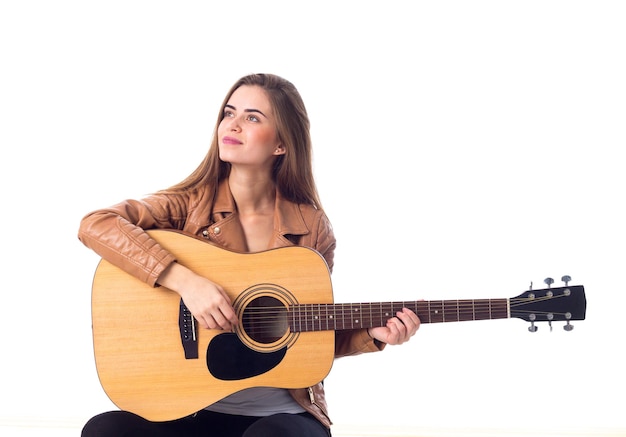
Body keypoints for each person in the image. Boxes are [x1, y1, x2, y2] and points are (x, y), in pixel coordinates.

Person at [78, 73, 420, 437]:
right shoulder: (188, 204)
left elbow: (307, 332)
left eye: (253, 117)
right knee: (105, 430)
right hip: (191, 405)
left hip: (278, 415)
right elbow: (96, 224)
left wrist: (372, 334)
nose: (233, 124)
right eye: (229, 112)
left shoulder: (312, 227)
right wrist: (186, 283)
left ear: (281, 145)